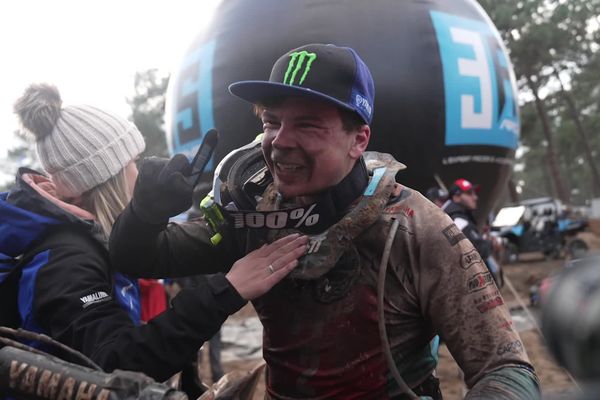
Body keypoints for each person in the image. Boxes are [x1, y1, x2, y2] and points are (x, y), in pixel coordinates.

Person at [110, 44, 540, 399]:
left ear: (359, 140)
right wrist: (145, 214)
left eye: (308, 125)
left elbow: (505, 366)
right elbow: (141, 259)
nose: (280, 142)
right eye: (271, 122)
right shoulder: (253, 213)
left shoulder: (414, 227)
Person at [0, 83, 308, 387]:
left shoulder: (89, 241)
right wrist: (227, 290)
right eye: (133, 163)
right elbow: (111, 365)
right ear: (111, 178)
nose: (140, 171)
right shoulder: (68, 259)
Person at [442, 178, 503, 286]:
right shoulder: (457, 221)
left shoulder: (453, 218)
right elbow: (475, 249)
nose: (475, 197)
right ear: (456, 197)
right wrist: (492, 244)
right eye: (469, 193)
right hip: (470, 285)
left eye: (474, 193)